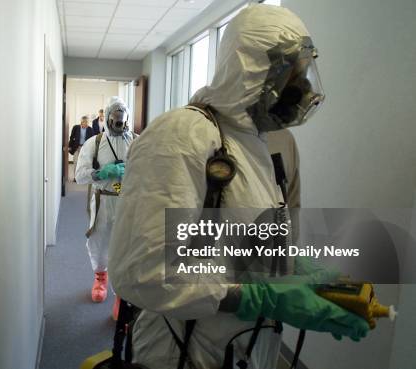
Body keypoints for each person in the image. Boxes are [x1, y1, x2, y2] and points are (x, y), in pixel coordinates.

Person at [108, 5, 369, 369]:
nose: (302, 88)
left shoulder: (263, 146)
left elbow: (238, 242)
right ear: (253, 68)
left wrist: (292, 268)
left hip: (246, 349)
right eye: (293, 73)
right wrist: (257, 297)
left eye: (304, 72)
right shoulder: (182, 136)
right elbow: (143, 272)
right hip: (181, 354)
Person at [75, 98, 135, 318]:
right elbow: (79, 175)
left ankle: (120, 292)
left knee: (127, 246)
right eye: (116, 121)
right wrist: (101, 173)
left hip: (129, 202)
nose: (120, 125)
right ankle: (100, 277)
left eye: (123, 121)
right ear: (109, 118)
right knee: (99, 241)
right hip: (103, 201)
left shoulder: (137, 142)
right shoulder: (95, 142)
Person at [69, 116, 94, 181]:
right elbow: (71, 137)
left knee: (85, 163)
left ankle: (83, 177)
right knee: (76, 162)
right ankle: (76, 177)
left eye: (88, 123)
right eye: (85, 122)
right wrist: (70, 146)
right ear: (82, 122)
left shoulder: (90, 129)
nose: (87, 124)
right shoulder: (76, 127)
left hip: (85, 148)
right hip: (77, 147)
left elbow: (92, 140)